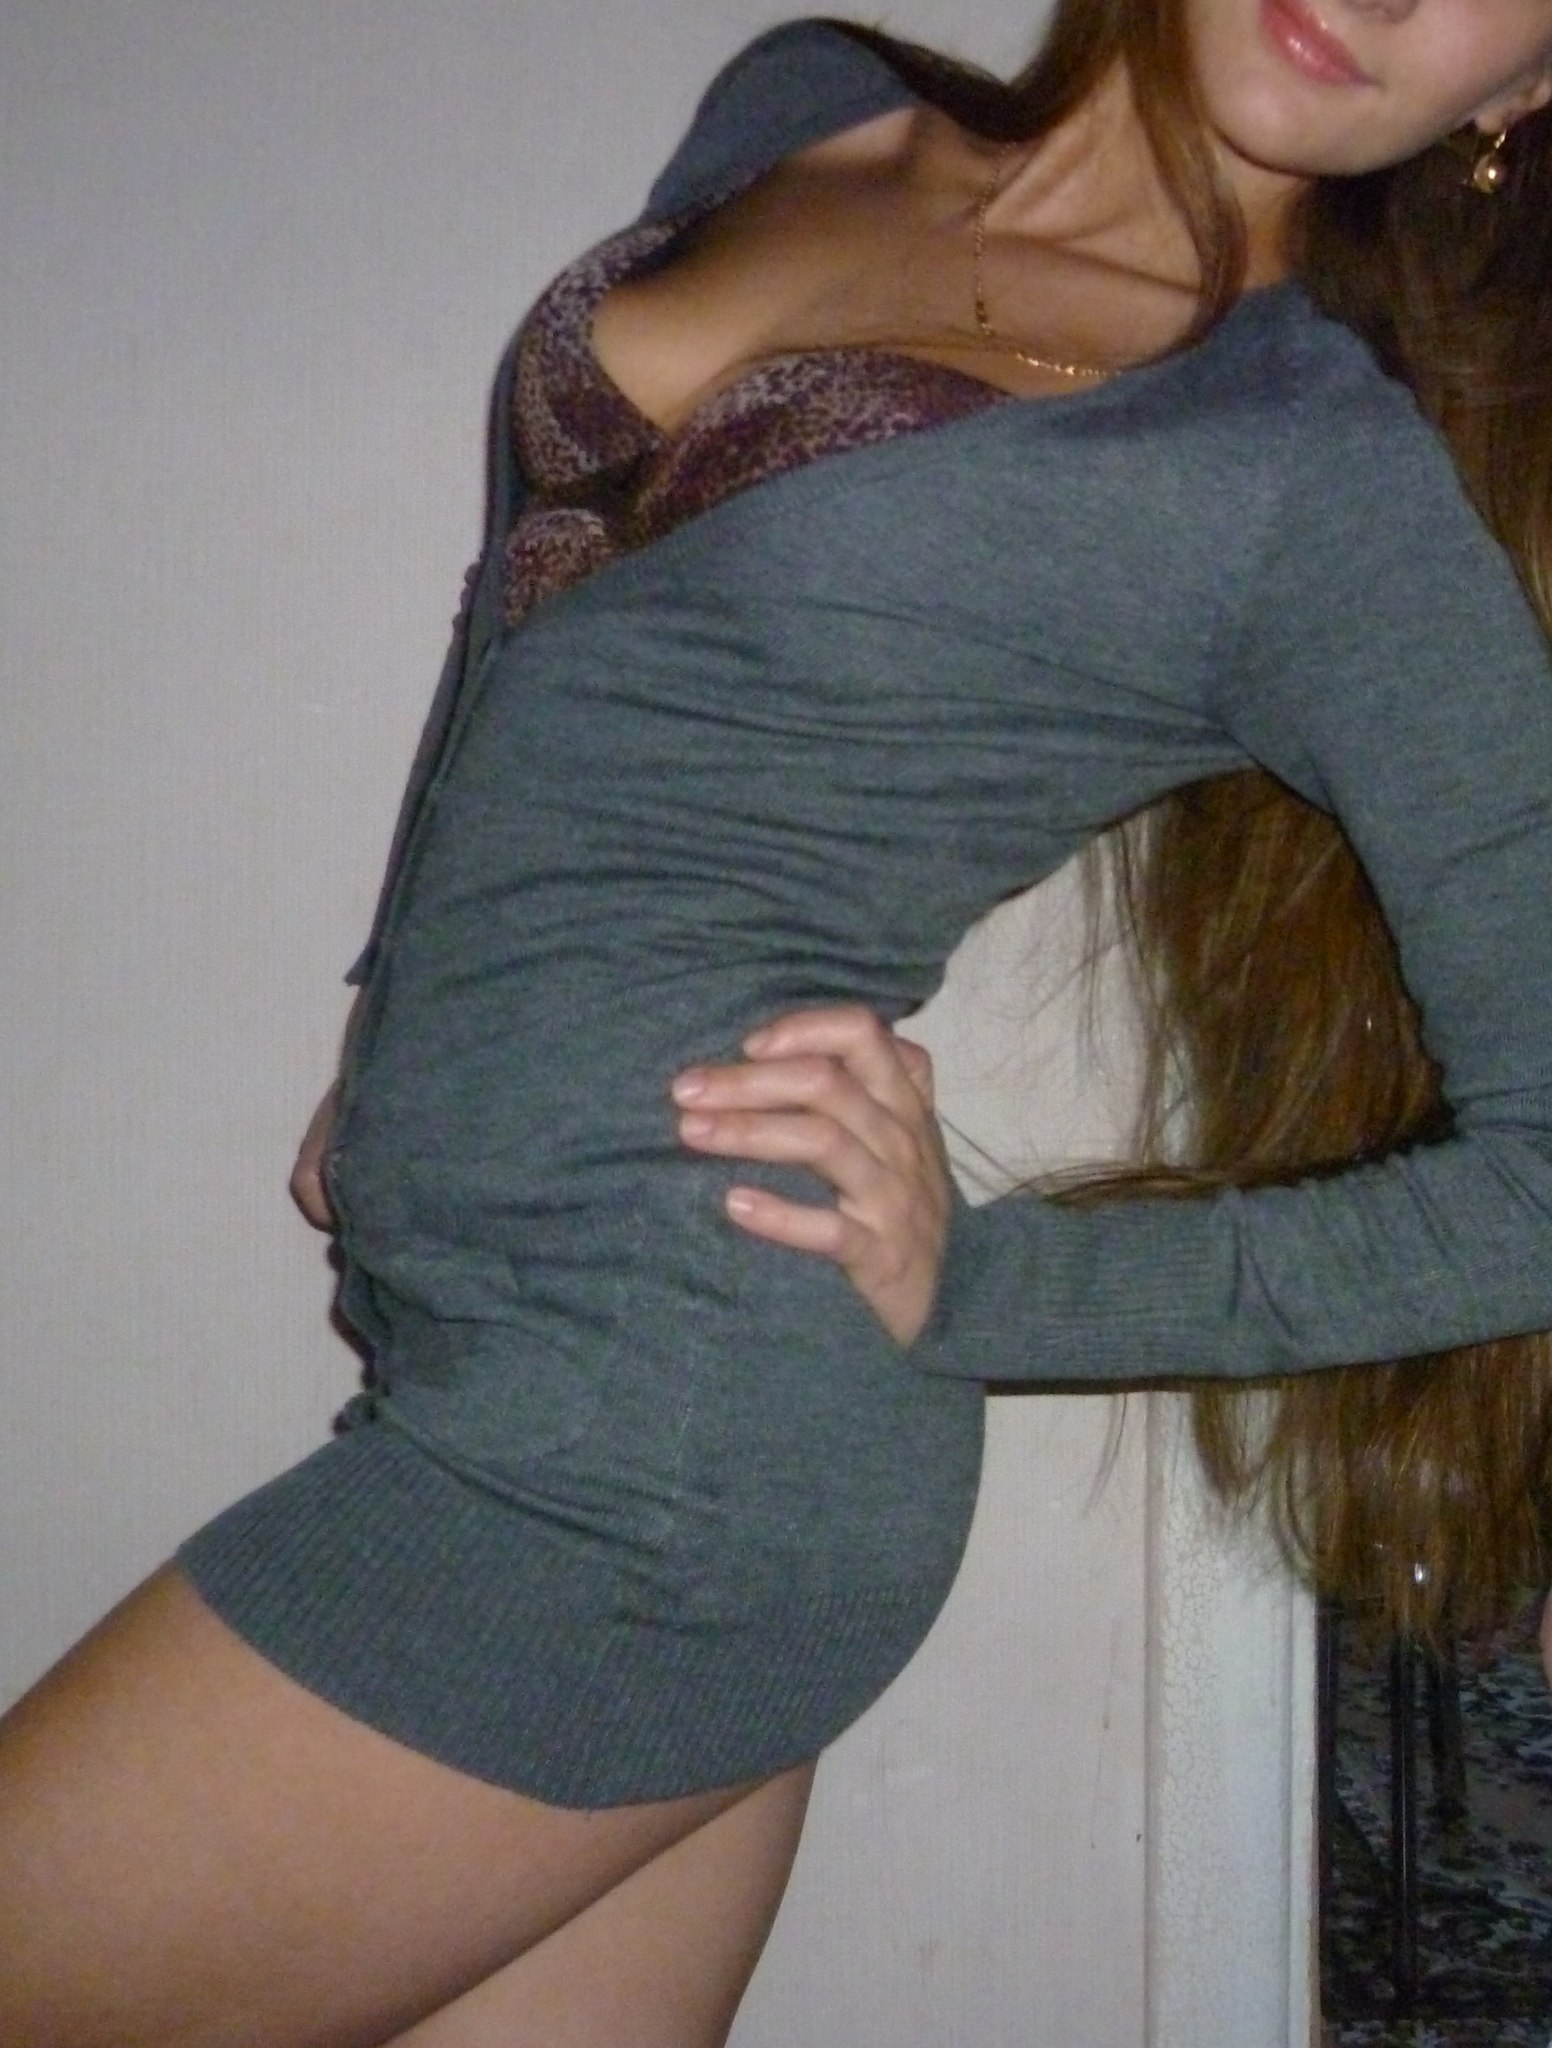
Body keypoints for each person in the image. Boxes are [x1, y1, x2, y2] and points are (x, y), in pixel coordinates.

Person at [5, 4, 1552, 2043]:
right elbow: (537, 591)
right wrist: (394, 1010)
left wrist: (991, 1287)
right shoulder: (807, 106)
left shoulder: (1300, 471)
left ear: (1522, 88)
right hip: (524, 1371)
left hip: (664, 1442)